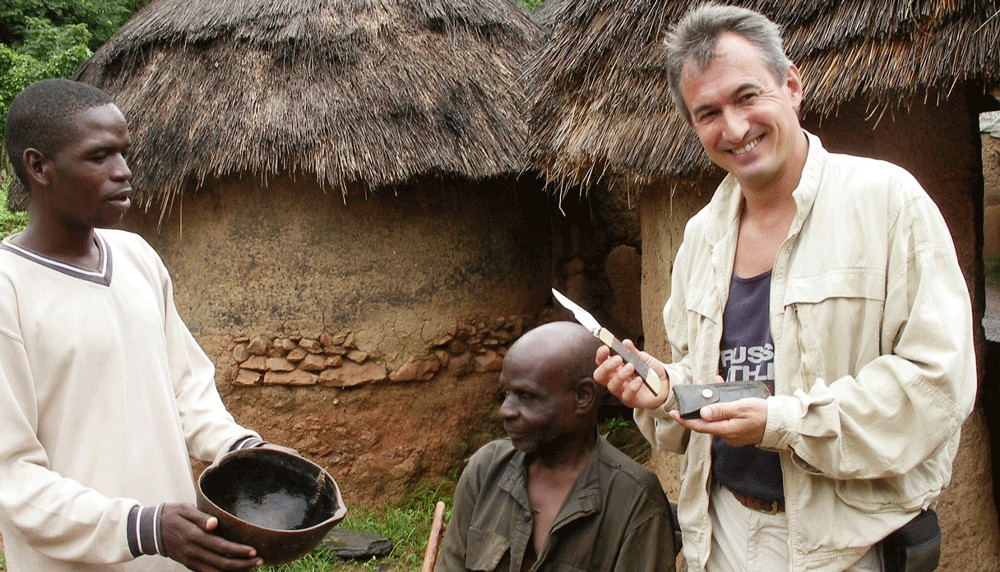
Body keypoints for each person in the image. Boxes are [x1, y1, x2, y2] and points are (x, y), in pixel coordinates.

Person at [594, 4, 976, 572]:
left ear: (791, 85)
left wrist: (783, 422)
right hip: (719, 532)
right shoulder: (700, 237)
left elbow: (935, 384)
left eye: (747, 97)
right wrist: (665, 391)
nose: (734, 127)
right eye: (708, 113)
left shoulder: (889, 203)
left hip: (845, 544)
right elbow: (709, 382)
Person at [0, 78, 296, 571]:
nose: (124, 172)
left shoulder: (135, 257)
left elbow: (186, 388)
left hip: (176, 560)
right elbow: (12, 476)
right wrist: (140, 527)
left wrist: (243, 449)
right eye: (100, 157)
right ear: (38, 167)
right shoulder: (8, 288)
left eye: (124, 153)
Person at [435, 321, 677, 571]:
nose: (505, 411)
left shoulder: (634, 501)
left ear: (583, 397)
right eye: (506, 394)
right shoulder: (486, 470)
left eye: (526, 396)